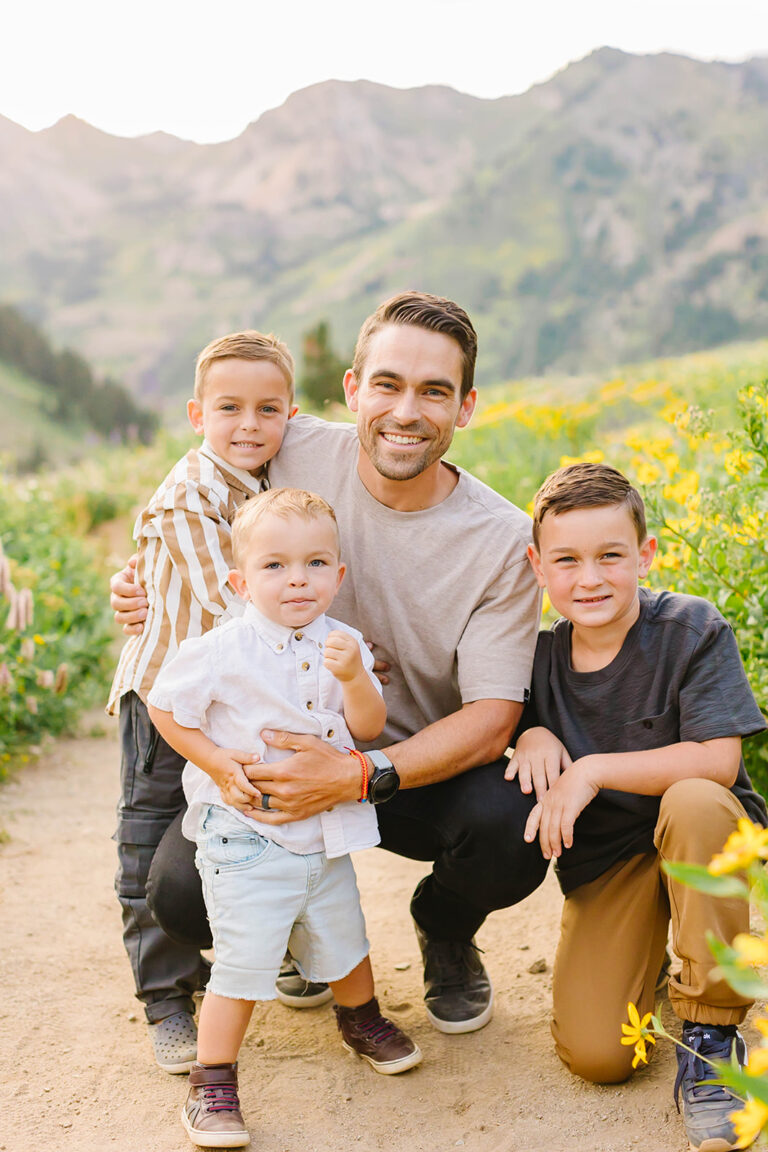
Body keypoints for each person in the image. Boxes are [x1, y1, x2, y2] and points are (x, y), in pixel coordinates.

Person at [111, 290, 550, 1039]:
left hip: (407, 766)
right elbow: (200, 497)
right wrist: (143, 579)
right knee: (180, 894)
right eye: (387, 384)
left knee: (512, 828)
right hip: (280, 748)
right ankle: (286, 929)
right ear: (352, 390)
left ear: (465, 407)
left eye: (433, 392)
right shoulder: (290, 447)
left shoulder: (502, 540)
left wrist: (357, 774)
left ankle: (444, 927)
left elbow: (491, 719)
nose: (406, 411)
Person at [148, 488, 421, 1148]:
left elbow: (371, 726)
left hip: (323, 830)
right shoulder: (221, 648)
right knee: (244, 957)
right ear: (242, 581)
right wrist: (213, 760)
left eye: (315, 563)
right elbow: (165, 707)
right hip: (245, 834)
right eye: (274, 566)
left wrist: (356, 677)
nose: (297, 579)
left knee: (343, 931)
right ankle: (211, 1082)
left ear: (338, 575)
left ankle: (360, 1018)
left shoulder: (345, 642)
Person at [507, 461, 767, 1152]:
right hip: (612, 865)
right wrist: (529, 730)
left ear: (645, 555)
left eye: (610, 556)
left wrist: (591, 767)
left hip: (698, 836)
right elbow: (503, 725)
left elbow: (719, 760)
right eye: (566, 559)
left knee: (696, 798)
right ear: (538, 566)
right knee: (601, 1056)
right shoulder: (533, 660)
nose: (589, 578)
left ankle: (711, 1031)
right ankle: (649, 954)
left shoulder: (689, 627)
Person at [107, 329, 297, 1073]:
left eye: (267, 408)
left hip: (227, 706)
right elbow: (239, 602)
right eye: (230, 408)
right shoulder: (190, 494)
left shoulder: (260, 480)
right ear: (197, 413)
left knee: (243, 830)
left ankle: (263, 953)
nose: (249, 424)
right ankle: (165, 1000)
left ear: (289, 413)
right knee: (146, 847)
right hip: (165, 703)